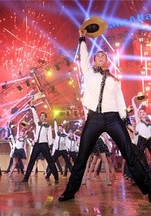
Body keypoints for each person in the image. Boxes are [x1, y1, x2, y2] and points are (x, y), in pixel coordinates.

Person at [58, 29, 151, 202]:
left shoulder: (115, 80)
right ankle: (70, 192)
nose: (101, 56)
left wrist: (126, 120)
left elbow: (120, 100)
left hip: (113, 118)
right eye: (98, 55)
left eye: (103, 56)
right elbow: (83, 58)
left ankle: (147, 189)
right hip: (94, 118)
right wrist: (82, 38)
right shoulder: (89, 73)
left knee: (130, 154)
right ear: (94, 60)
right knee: (82, 156)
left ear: (107, 61)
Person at [22, 105, 59, 183]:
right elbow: (35, 116)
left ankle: (56, 177)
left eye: (43, 116)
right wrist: (33, 109)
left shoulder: (48, 126)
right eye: (41, 116)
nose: (42, 117)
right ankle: (26, 178)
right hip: (37, 145)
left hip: (44, 145)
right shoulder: (38, 123)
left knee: (50, 161)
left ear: (45, 118)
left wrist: (51, 145)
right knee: (32, 160)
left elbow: (49, 136)